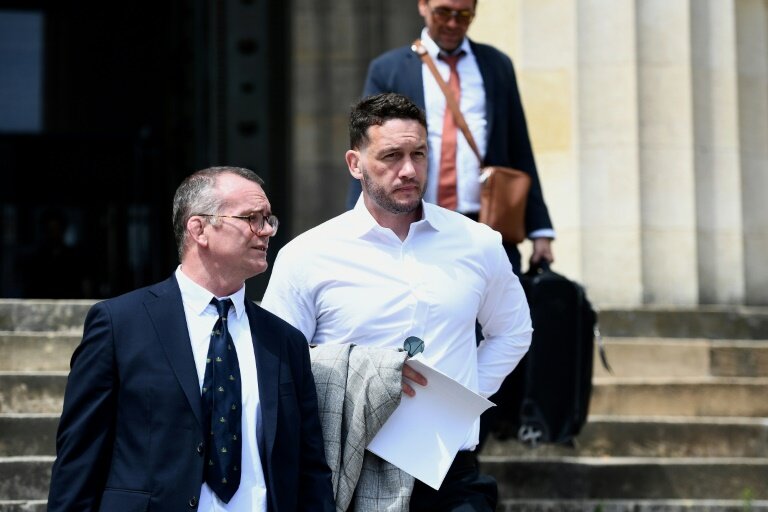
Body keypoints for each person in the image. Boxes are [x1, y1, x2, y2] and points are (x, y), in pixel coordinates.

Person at [261, 93, 532, 511]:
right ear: (355, 164)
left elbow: (512, 331)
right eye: (390, 156)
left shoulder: (477, 243)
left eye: (418, 154)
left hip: (451, 473)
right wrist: (361, 373)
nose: (408, 170)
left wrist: (463, 395)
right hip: (351, 469)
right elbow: (278, 363)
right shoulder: (307, 255)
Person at [47, 166, 335, 511]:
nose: (266, 231)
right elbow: (79, 459)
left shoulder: (284, 340)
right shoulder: (119, 325)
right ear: (199, 228)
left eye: (269, 219)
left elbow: (309, 468)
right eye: (251, 218)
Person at [345, 0, 555, 275]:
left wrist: (540, 228)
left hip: (487, 224)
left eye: (464, 15)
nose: (453, 23)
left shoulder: (496, 65)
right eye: (444, 12)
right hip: (415, 225)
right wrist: (355, 220)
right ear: (423, 6)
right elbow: (368, 147)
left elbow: (519, 145)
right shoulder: (389, 68)